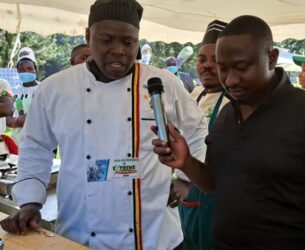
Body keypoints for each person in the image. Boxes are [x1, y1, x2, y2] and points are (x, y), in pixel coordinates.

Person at [0, 0, 207, 249]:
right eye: (106, 40)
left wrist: (185, 180)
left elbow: (197, 130)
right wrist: (31, 202)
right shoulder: (55, 88)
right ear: (89, 36)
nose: (118, 50)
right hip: (81, 230)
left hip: (154, 232)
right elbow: (36, 146)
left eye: (128, 42)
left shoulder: (162, 83)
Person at [152, 15, 305, 249]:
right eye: (223, 69)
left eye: (241, 67)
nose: (231, 80)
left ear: (272, 58)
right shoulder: (227, 116)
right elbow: (216, 182)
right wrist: (186, 162)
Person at [170, 19, 229, 250]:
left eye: (216, 60)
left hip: (216, 199)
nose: (207, 66)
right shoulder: (193, 94)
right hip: (186, 195)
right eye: (202, 59)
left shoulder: (236, 102)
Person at [6, 47, 40, 145]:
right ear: (17, 71)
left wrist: (22, 120)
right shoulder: (13, 91)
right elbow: (8, 119)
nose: (26, 72)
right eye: (22, 69)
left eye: (29, 68)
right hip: (17, 141)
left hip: (40, 141)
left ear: (36, 69)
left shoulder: (43, 89)